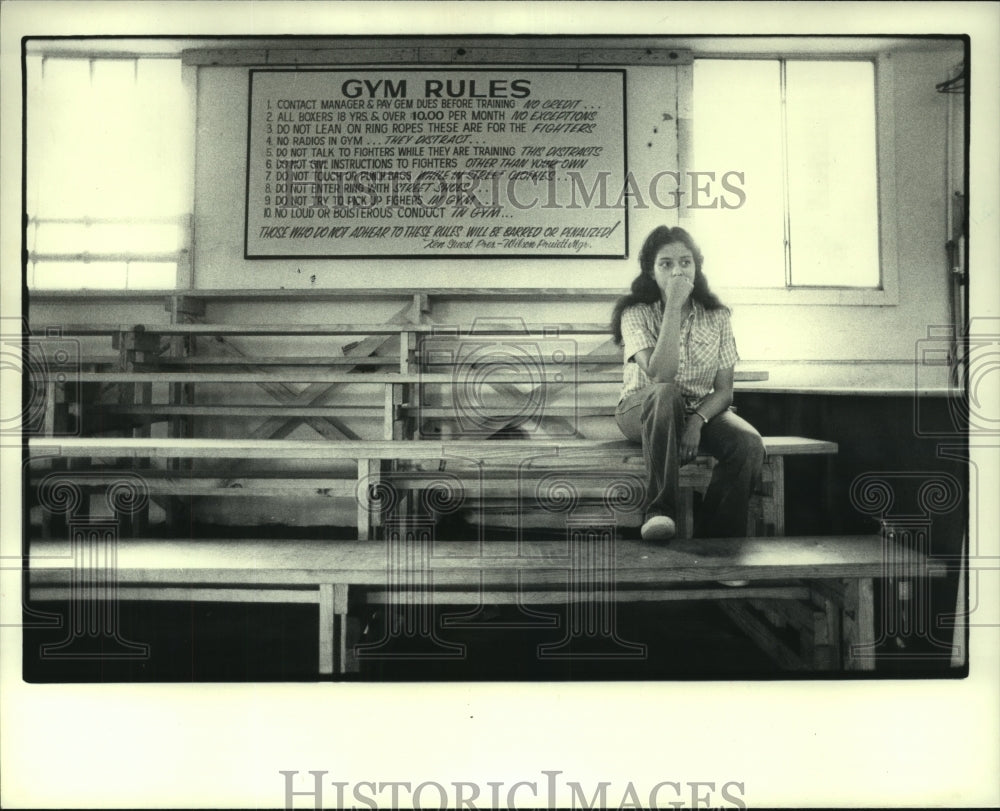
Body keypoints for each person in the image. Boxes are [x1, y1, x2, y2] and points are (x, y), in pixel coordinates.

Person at [611, 225, 765, 541]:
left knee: (748, 444)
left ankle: (717, 539)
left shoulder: (717, 316)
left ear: (696, 267)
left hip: (698, 410)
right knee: (666, 392)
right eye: (666, 264)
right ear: (651, 271)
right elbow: (660, 375)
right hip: (642, 410)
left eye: (685, 262)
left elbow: (724, 391)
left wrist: (696, 421)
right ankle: (659, 513)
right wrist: (673, 306)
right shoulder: (635, 314)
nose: (677, 271)